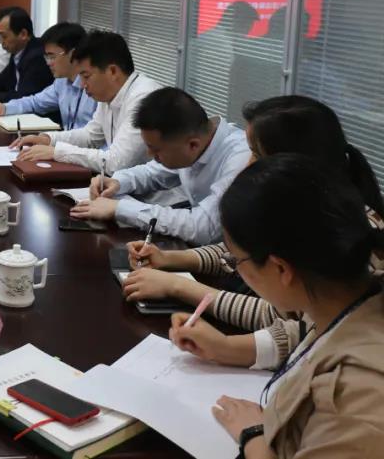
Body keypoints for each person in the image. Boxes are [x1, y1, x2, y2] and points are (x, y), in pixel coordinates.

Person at [123, 96, 384, 368]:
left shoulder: (350, 233)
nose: (247, 165)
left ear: (293, 161)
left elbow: (299, 325)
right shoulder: (305, 204)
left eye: (256, 154)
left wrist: (179, 288)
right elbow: (241, 250)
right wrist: (172, 259)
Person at [168, 154, 384, 458]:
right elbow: (310, 334)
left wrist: (254, 436)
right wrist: (226, 347)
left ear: (281, 269)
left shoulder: (357, 395)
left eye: (235, 260)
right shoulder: (346, 297)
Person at [70, 87, 251, 245]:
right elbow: (153, 172)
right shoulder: (191, 141)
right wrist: (117, 182)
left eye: (156, 149)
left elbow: (203, 228)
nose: (150, 155)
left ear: (193, 145)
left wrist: (120, 209)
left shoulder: (241, 158)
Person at [7, 30, 159, 171]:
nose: (81, 84)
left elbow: (116, 162)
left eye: (86, 76)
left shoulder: (143, 99)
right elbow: (90, 136)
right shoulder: (108, 95)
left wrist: (57, 152)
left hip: (149, 191)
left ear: (112, 71)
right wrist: (47, 139)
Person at [0, 22, 96, 129]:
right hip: (65, 141)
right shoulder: (61, 82)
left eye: (52, 56)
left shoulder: (96, 87)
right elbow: (35, 102)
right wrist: (5, 108)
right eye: (47, 57)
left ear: (73, 54)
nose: (48, 63)